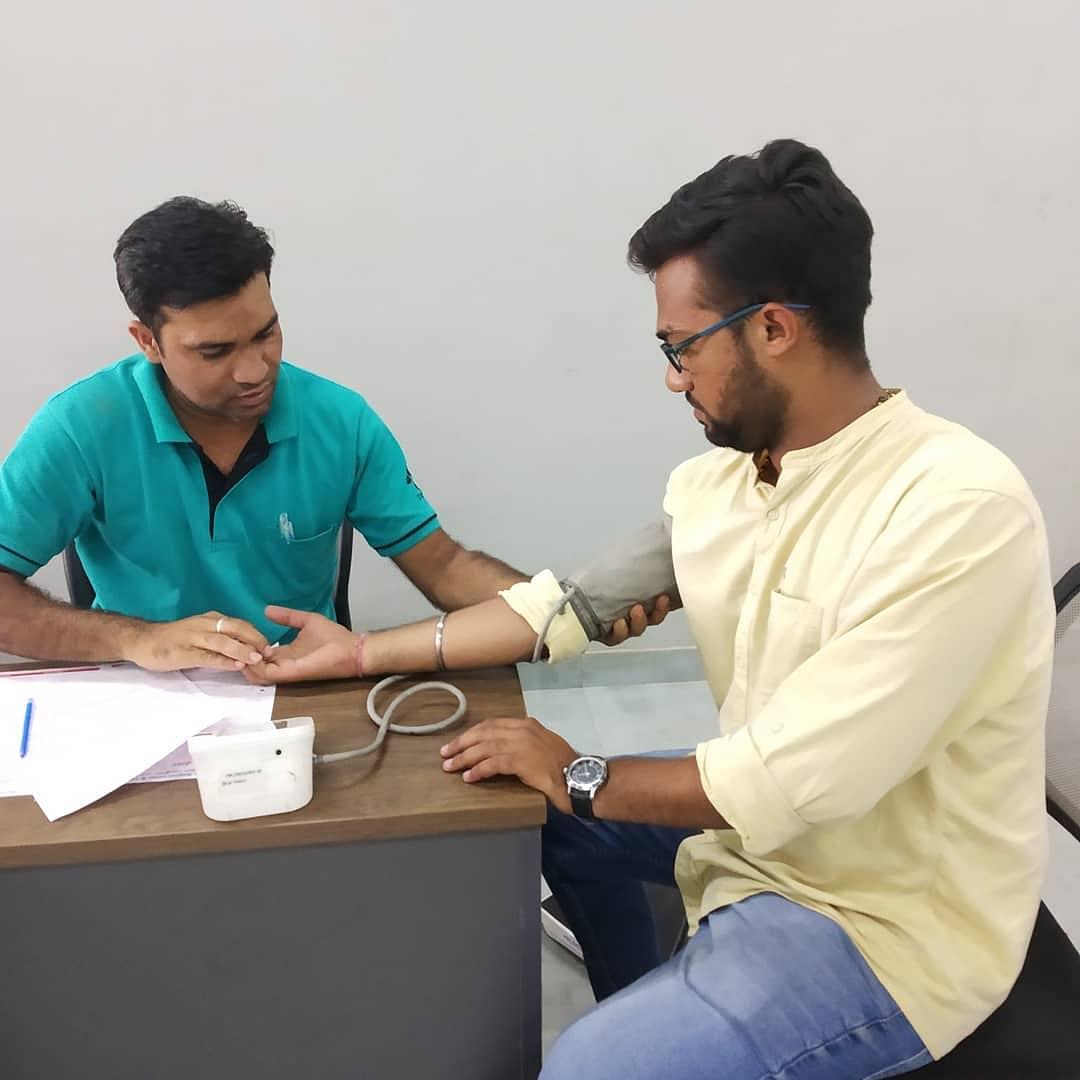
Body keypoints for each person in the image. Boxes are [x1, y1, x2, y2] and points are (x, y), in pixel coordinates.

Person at [241, 139, 1053, 1079]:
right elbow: (559, 607)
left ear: (773, 328)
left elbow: (785, 784)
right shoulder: (724, 485)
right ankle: (655, 1002)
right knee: (524, 810)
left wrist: (580, 772)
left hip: (883, 919)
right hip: (759, 846)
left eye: (683, 346)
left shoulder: (954, 508)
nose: (673, 376)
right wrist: (357, 655)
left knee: (591, 1067)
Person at [0, 197, 659, 671]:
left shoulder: (338, 421)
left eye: (266, 332)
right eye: (215, 351)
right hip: (139, 701)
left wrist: (566, 613)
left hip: (305, 692)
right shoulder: (82, 427)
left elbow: (443, 565)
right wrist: (135, 640)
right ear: (147, 341)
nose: (254, 370)